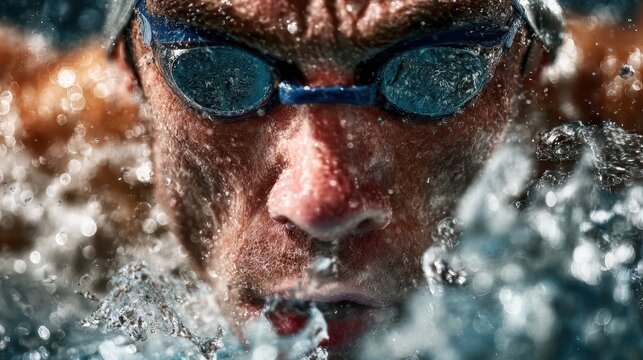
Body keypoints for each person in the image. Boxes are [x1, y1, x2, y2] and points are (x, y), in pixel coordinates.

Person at [87, 0, 570, 355]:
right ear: (130, 65)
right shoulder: (18, 170)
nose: (321, 207)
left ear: (531, 66)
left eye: (438, 69)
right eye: (216, 70)